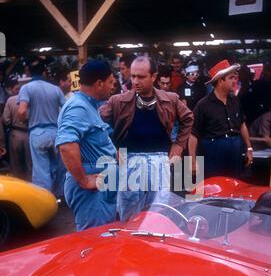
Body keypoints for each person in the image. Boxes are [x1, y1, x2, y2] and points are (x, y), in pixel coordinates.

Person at [101, 56, 193, 221]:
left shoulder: (170, 99)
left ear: (154, 77)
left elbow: (188, 118)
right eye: (133, 76)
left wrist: (178, 147)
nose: (135, 81)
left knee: (158, 215)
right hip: (129, 162)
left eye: (141, 77)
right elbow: (97, 125)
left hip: (159, 161)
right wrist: (111, 149)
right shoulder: (118, 101)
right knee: (128, 217)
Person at [56, 60, 117, 231]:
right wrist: (83, 180)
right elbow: (66, 145)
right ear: (99, 84)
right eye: (110, 82)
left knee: (105, 237)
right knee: (96, 241)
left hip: (101, 182)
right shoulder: (78, 107)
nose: (113, 86)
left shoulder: (88, 105)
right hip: (91, 189)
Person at [189, 59, 253, 179]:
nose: (235, 81)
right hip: (213, 151)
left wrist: (249, 148)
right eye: (231, 78)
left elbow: (242, 124)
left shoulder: (235, 101)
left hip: (235, 149)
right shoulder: (203, 104)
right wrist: (192, 161)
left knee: (234, 186)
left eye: (235, 77)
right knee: (214, 188)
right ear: (220, 81)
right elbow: (193, 134)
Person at [18, 57, 66, 196]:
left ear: (29, 72)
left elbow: (21, 111)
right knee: (59, 167)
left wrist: (24, 120)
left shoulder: (26, 88)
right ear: (44, 72)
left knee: (41, 169)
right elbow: (65, 110)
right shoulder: (56, 89)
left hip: (37, 132)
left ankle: (45, 197)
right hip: (56, 132)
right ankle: (60, 195)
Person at [2, 77, 32, 180]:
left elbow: (6, 120)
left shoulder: (10, 100)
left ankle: (19, 187)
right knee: (30, 165)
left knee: (15, 165)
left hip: (15, 134)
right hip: (29, 134)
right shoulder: (30, 99)